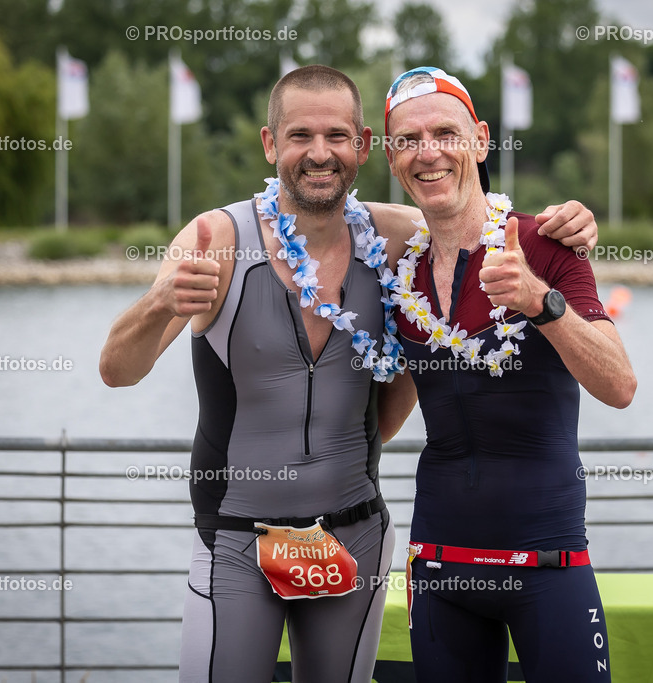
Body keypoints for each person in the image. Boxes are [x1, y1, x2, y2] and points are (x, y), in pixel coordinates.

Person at [99, 64, 601, 683]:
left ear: (363, 147)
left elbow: (471, 211)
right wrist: (158, 302)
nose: (319, 154)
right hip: (235, 538)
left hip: (353, 537)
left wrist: (569, 224)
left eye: (337, 136)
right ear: (268, 144)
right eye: (299, 136)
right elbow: (117, 372)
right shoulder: (214, 240)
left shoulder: (394, 240)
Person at [382, 66, 637, 682]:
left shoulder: (545, 244)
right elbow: (382, 424)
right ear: (390, 156)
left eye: (446, 132)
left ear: (481, 140)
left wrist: (540, 302)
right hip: (439, 563)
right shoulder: (397, 275)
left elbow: (619, 385)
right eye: (408, 140)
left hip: (548, 561)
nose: (428, 152)